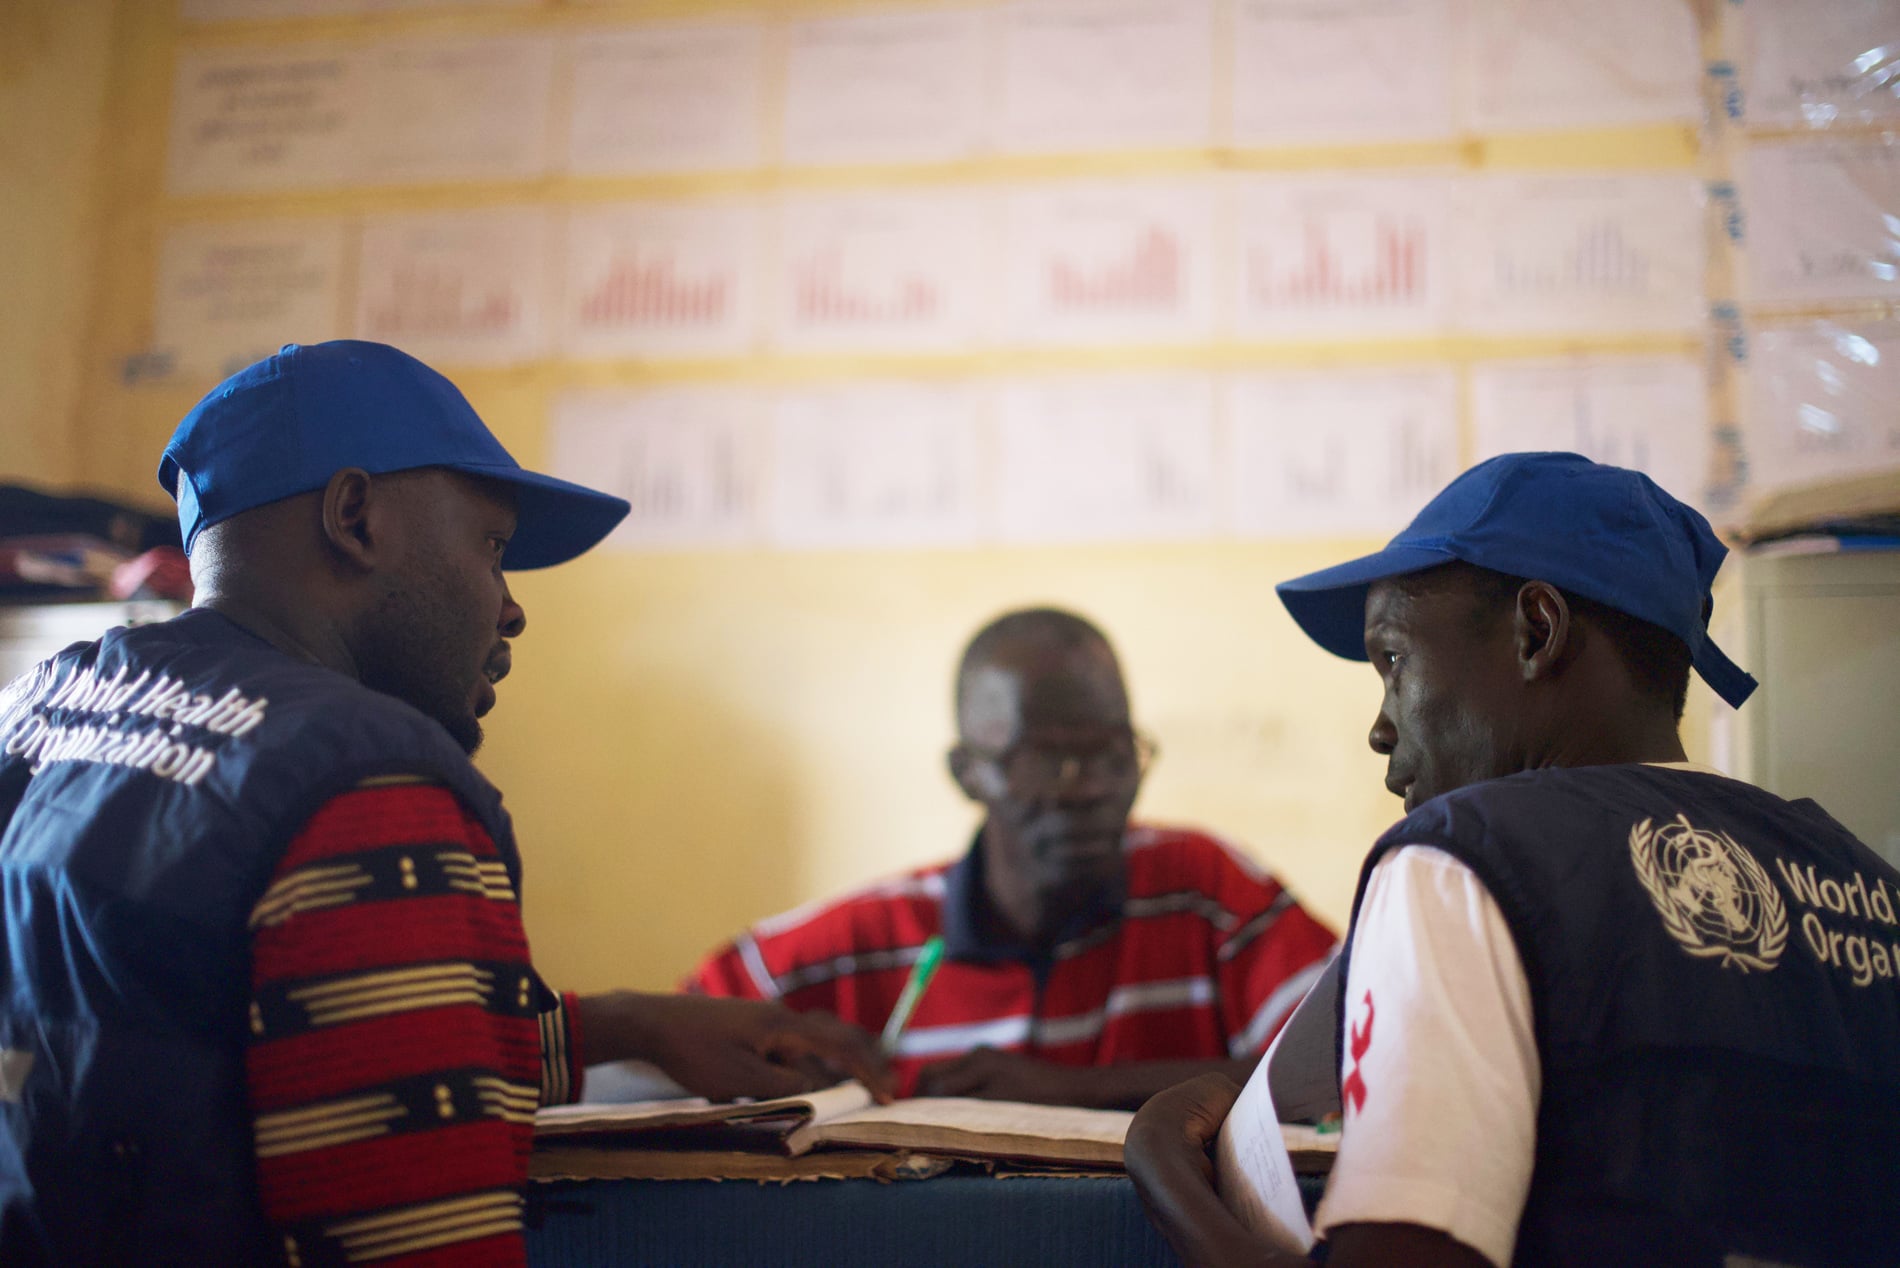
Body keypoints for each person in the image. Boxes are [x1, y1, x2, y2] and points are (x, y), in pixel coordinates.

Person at [0, 341, 890, 1268]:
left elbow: (221, 1040)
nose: (510, 610)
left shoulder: (47, 705)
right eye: (493, 548)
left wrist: (627, 1024)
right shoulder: (369, 781)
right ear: (355, 516)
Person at [1125, 452, 1900, 1268]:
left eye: (1393, 660)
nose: (1381, 728)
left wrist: (1165, 1169)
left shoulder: (1465, 861)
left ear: (1538, 630)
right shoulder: (1863, 883)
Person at [687, 607, 1338, 1107]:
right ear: (968, 773)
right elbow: (675, 1045)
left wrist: (1069, 1092)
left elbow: (1356, 1063)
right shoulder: (866, 946)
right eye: (1042, 759)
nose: (1083, 788)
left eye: (1112, 754)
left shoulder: (1206, 896)